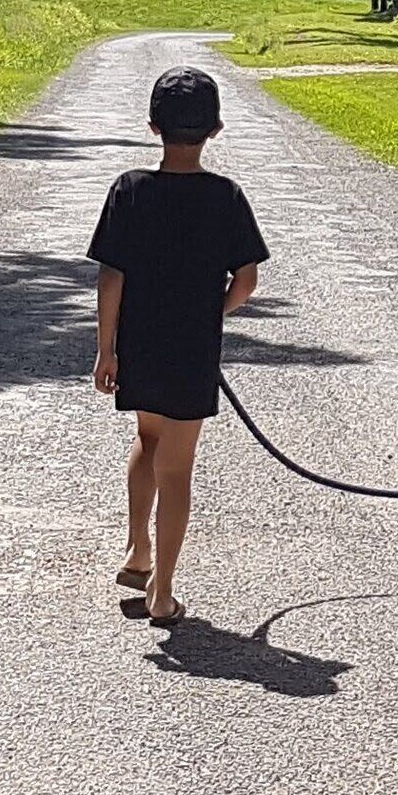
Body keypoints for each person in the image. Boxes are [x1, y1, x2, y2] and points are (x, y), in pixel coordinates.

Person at [89, 66, 270, 624]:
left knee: (148, 437)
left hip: (139, 343)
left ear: (152, 127)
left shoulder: (130, 189)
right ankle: (162, 592)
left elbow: (111, 277)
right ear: (215, 130)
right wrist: (208, 314)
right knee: (179, 468)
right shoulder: (225, 196)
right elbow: (246, 280)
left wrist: (106, 348)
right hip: (192, 352)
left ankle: (138, 550)